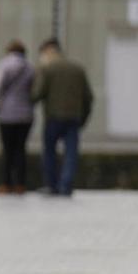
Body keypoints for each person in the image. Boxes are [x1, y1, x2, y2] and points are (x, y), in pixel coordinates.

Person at [31, 37, 93, 196]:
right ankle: (66, 186)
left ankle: (51, 185)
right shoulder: (78, 69)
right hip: (73, 118)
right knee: (71, 153)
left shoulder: (47, 69)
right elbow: (88, 97)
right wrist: (83, 118)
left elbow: (37, 94)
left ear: (48, 51)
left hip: (53, 117)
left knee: (49, 153)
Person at [0, 40, 35, 193]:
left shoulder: (4, 65)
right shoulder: (30, 67)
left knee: (7, 149)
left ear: (8, 51)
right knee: (21, 149)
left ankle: (6, 183)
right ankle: (20, 184)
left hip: (7, 114)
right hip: (26, 115)